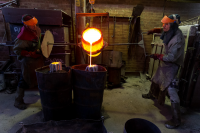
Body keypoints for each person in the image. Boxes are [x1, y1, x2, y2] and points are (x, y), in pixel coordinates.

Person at [142, 14, 185, 129]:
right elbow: (162, 29)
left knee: (171, 90)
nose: (163, 26)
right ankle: (152, 94)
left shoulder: (178, 39)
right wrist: (152, 30)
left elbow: (172, 57)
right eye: (163, 23)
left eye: (166, 24)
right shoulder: (170, 29)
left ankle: (176, 119)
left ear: (173, 25)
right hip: (165, 64)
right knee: (156, 77)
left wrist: (159, 56)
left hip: (173, 65)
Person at [13, 14, 44, 110]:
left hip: (38, 60)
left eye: (35, 24)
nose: (34, 26)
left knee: (40, 78)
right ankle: (18, 101)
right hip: (28, 62)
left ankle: (44, 96)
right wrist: (30, 54)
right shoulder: (23, 36)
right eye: (31, 25)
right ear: (26, 25)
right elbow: (17, 50)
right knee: (24, 80)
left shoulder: (37, 30)